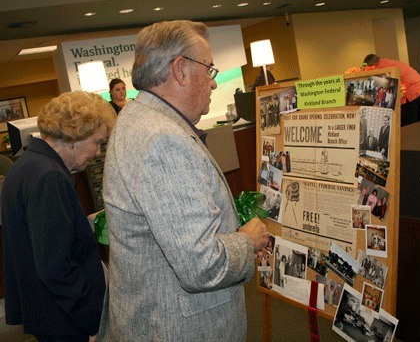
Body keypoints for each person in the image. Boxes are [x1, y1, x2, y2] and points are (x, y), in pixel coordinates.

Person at [100, 20, 269, 341]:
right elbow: (202, 265)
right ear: (180, 70)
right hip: (180, 327)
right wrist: (248, 240)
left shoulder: (137, 119)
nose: (214, 83)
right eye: (210, 70)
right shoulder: (162, 139)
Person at [1, 91, 116, 342]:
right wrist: (92, 321)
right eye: (97, 142)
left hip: (52, 313)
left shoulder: (28, 164)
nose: (98, 152)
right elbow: (55, 266)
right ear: (75, 136)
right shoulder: (49, 177)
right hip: (66, 319)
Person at [363, 54, 420, 126]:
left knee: (408, 127)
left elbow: (384, 90)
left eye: (368, 69)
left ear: (372, 65)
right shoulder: (390, 62)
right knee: (419, 124)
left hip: (411, 94)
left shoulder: (380, 68)